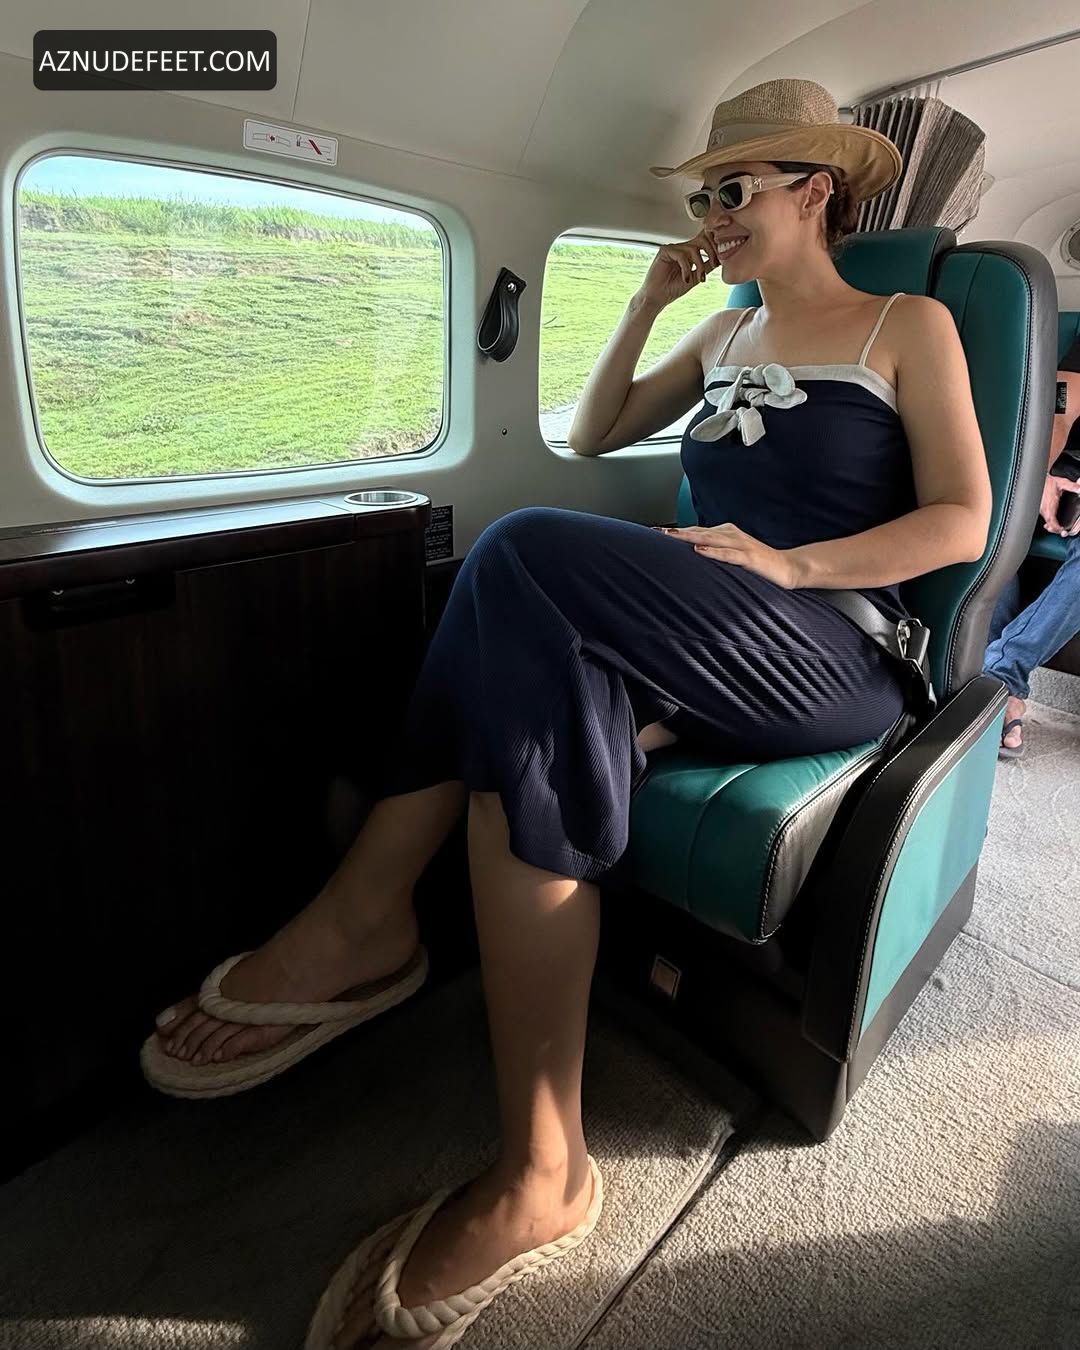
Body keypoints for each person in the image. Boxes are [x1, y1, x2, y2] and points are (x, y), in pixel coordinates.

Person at [140, 78, 992, 1350]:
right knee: (528, 681)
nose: (712, 215)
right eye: (703, 197)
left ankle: (365, 918)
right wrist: (650, 304)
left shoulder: (903, 324)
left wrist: (790, 564)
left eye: (735, 190)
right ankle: (545, 1165)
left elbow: (963, 521)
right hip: (710, 630)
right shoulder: (727, 333)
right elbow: (596, 431)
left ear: (816, 191)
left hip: (831, 642)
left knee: (523, 544)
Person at [985, 337, 1080, 757]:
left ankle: (997, 679)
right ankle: (987, 682)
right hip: (1064, 465)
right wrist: (1038, 473)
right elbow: (1061, 408)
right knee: (1000, 511)